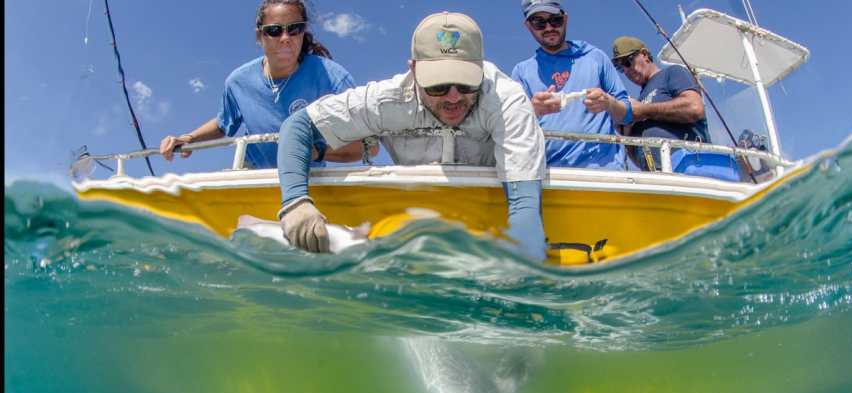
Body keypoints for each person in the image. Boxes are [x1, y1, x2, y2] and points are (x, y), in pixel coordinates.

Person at [276, 11, 548, 261]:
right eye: (438, 86)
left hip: (488, 219)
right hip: (414, 229)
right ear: (414, 69)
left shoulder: (507, 100)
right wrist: (295, 202)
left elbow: (524, 205)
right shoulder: (384, 99)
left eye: (465, 84)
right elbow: (299, 126)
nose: (453, 97)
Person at [159, 0, 362, 169]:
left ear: (303, 31)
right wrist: (189, 138)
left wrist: (314, 152)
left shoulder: (332, 77)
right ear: (259, 36)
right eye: (274, 31)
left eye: (294, 29)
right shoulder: (238, 81)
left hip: (307, 178)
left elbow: (365, 146)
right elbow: (223, 124)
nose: (285, 39)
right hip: (252, 174)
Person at [511, 0, 633, 169]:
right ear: (528, 26)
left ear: (565, 19)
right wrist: (533, 110)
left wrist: (608, 103)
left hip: (605, 171)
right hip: (549, 174)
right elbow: (512, 128)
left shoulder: (596, 57)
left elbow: (626, 115)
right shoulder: (521, 72)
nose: (548, 28)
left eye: (555, 20)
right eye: (539, 22)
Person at [611, 36, 711, 171]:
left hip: (690, 168)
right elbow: (638, 160)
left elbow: (695, 108)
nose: (626, 70)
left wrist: (643, 110)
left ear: (644, 54)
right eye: (620, 67)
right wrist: (626, 134)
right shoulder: (639, 101)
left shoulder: (672, 73)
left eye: (627, 62)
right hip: (658, 178)